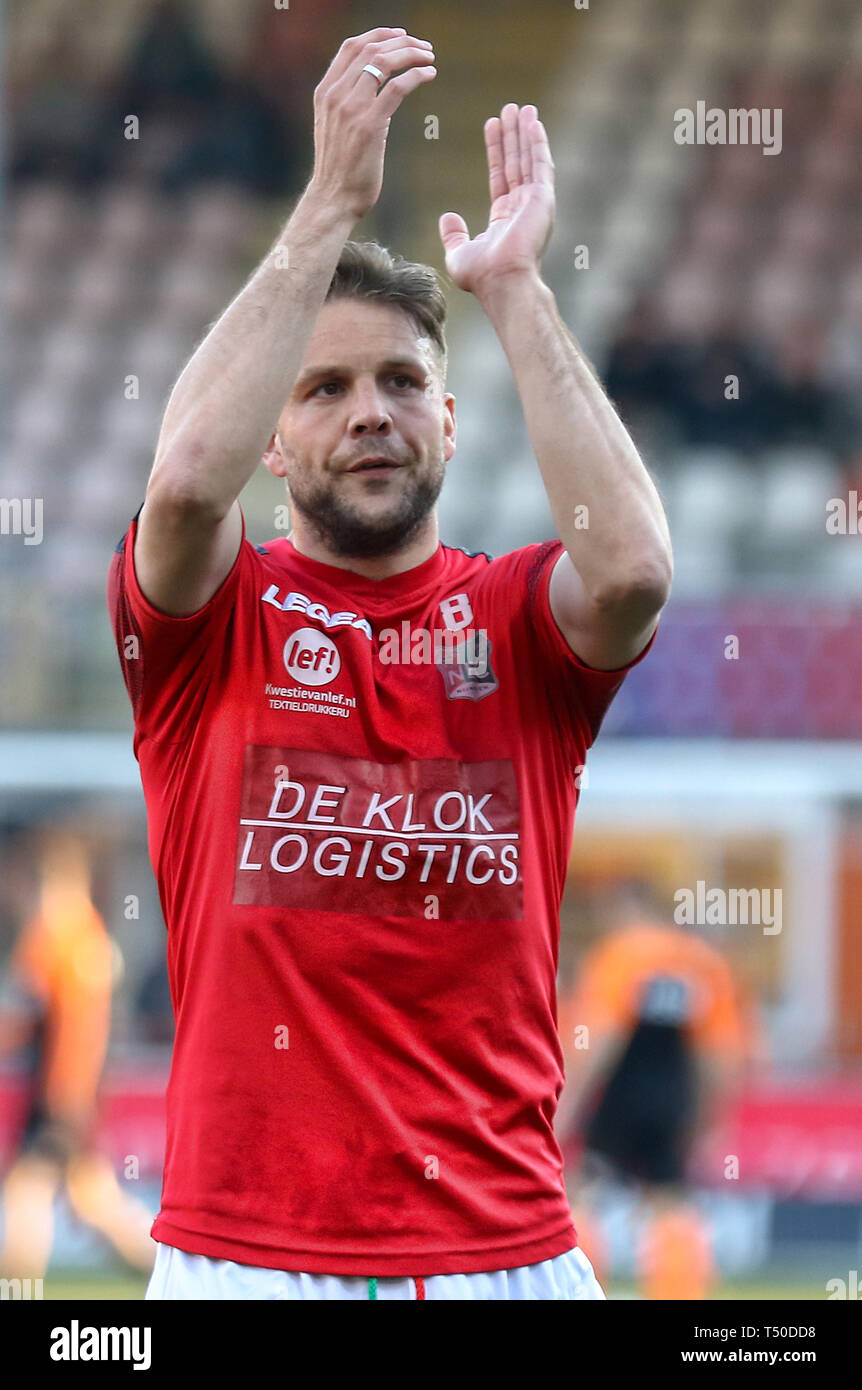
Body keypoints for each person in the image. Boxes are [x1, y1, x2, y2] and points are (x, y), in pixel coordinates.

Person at [107, 27, 672, 1301]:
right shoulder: (213, 620)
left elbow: (633, 569)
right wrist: (326, 207)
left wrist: (514, 290)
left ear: (449, 418)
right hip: (244, 1257)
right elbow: (185, 481)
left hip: (505, 1254)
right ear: (274, 434)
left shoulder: (517, 621)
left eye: (401, 382)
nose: (369, 410)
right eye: (322, 389)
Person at [557, 883, 753, 1300]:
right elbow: (719, 1057)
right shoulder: (702, 963)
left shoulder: (621, 953)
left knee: (586, 1193)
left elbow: (597, 1041)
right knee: (671, 1201)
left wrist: (567, 1109)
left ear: (628, 908)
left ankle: (586, 1291)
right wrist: (707, 1121)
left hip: (618, 1100)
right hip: (673, 1100)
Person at [0, 834, 154, 1280]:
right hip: (77, 1088)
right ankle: (158, 1268)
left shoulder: (54, 938)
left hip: (60, 1092)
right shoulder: (88, 937)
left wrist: (64, 1096)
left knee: (25, 1196)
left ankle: (16, 1291)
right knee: (94, 1203)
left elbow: (31, 1020)